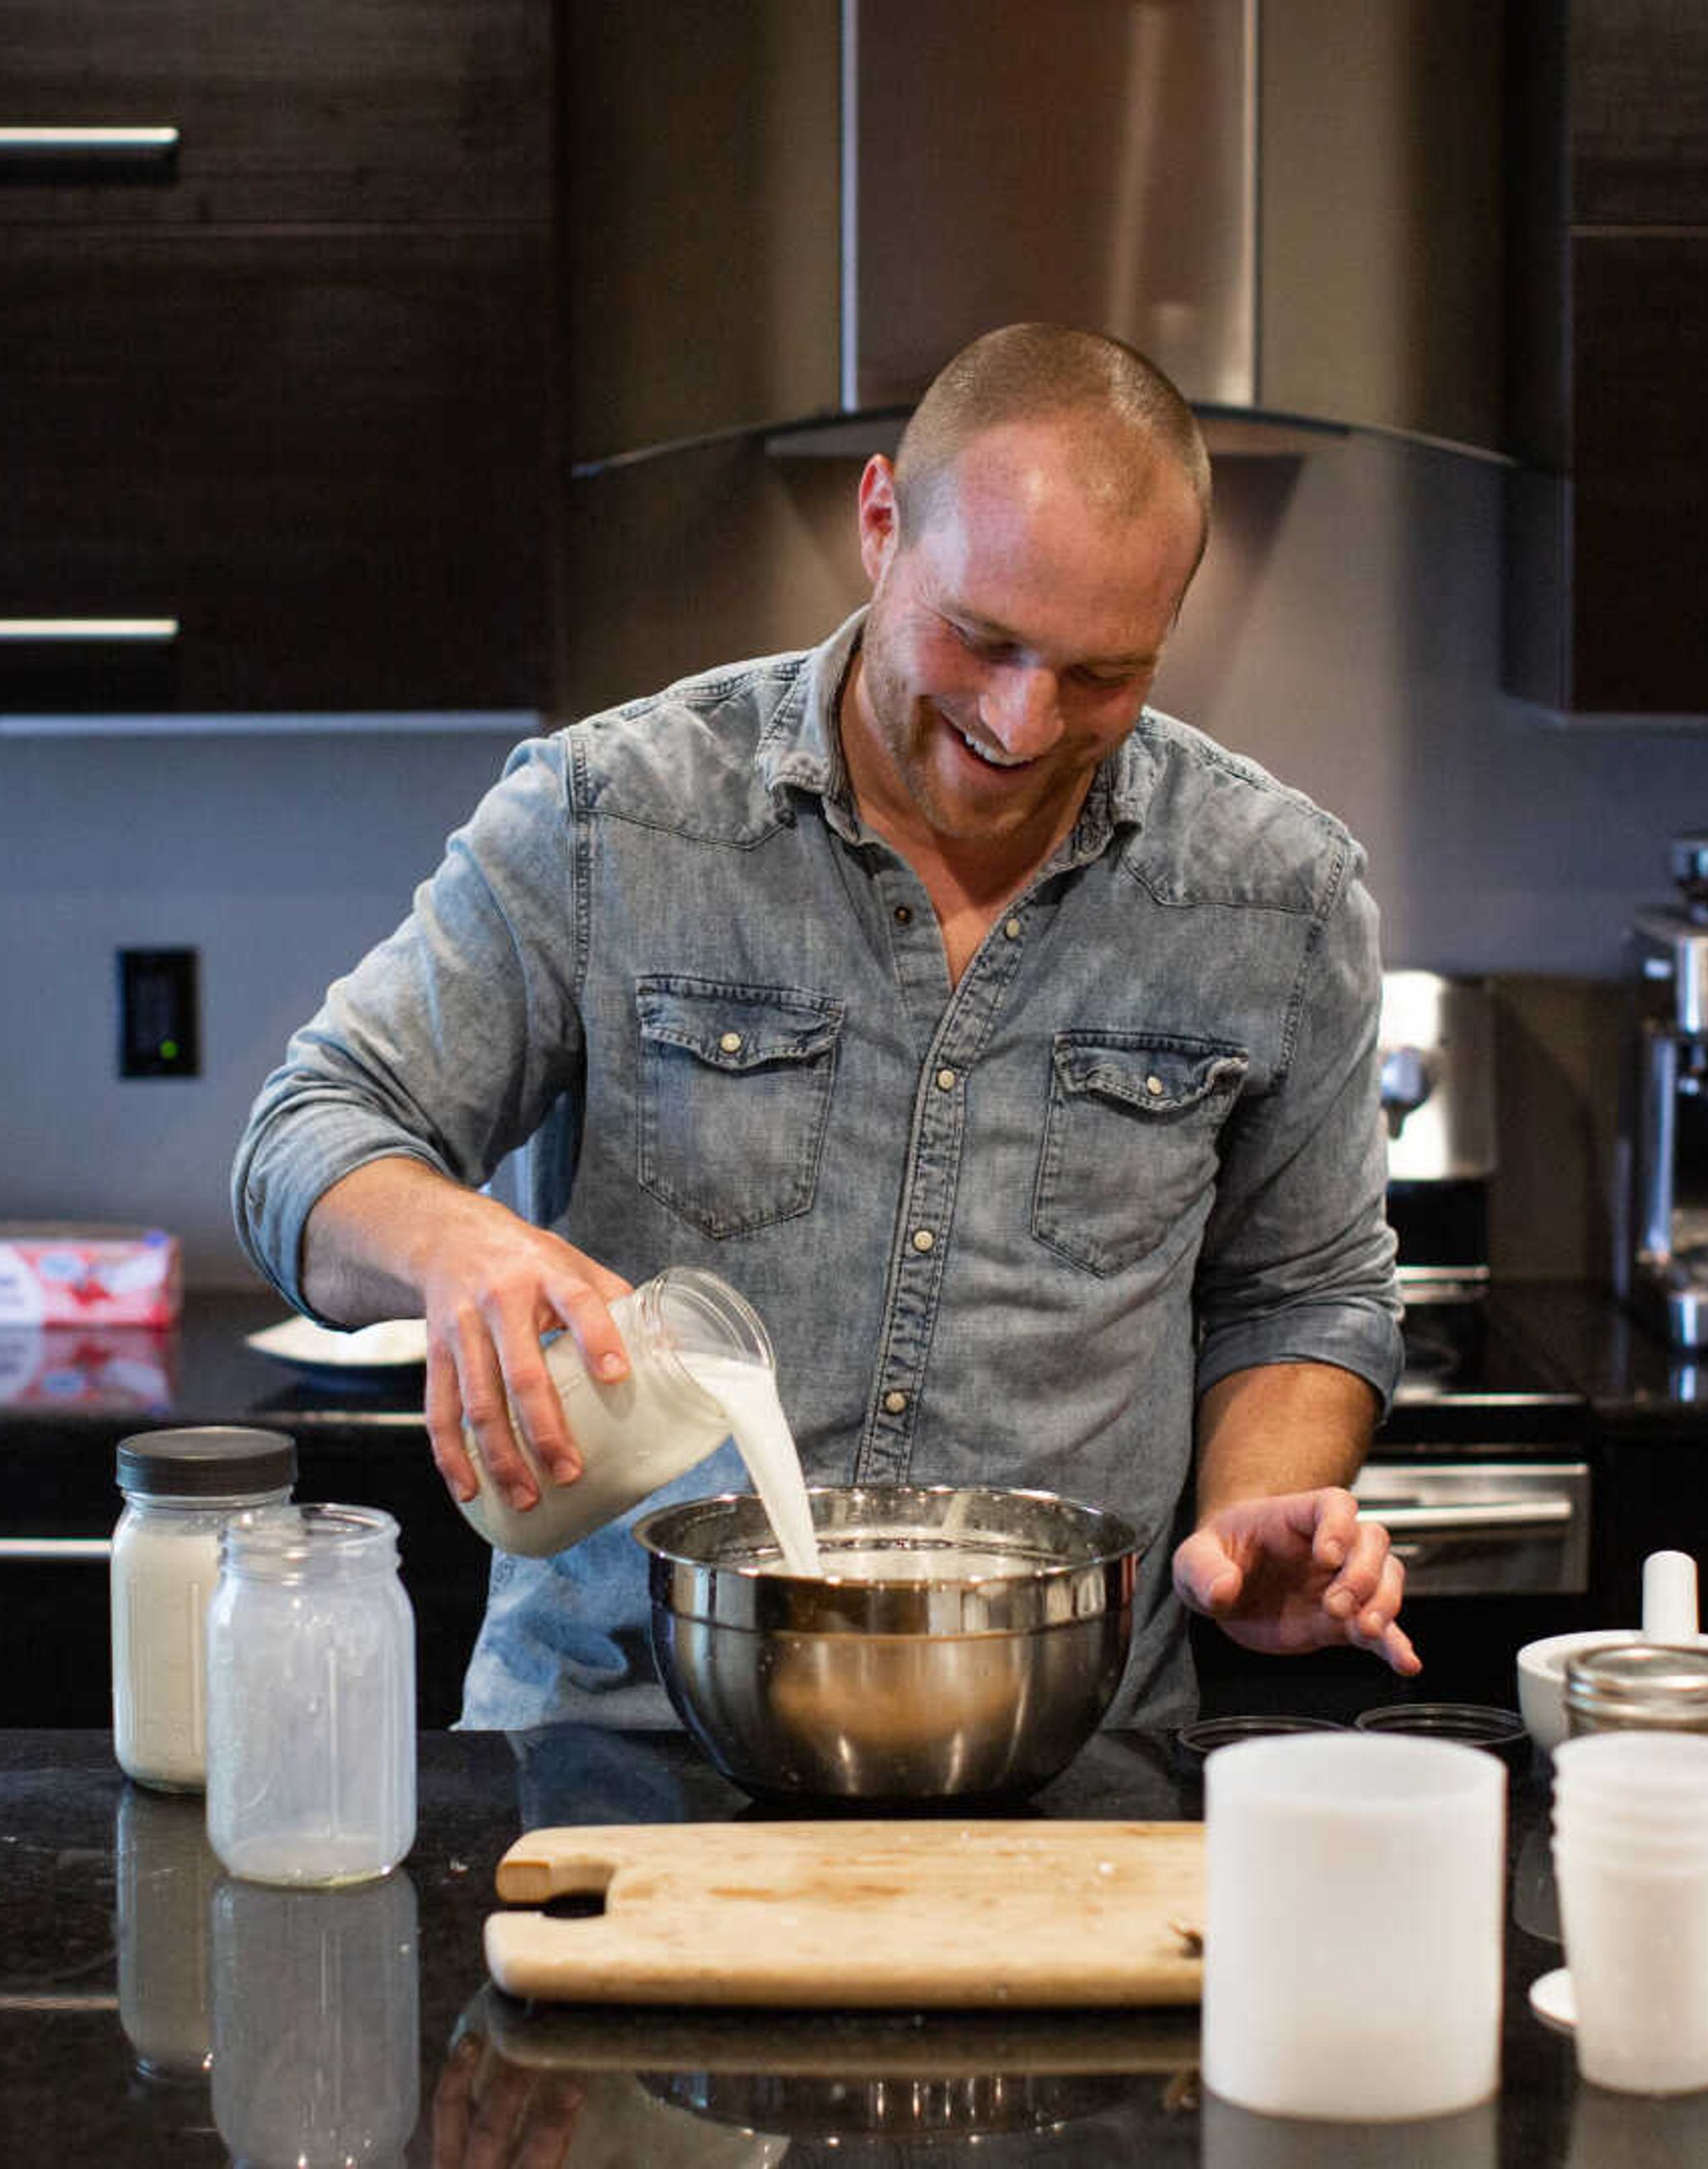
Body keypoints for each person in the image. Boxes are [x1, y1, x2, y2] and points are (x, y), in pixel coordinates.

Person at [233, 322, 1415, 1729]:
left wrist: (1260, 1504)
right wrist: (453, 1244)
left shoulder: (1277, 896)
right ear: (878, 524)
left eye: (1103, 673)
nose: (1025, 722)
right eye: (981, 639)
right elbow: (304, 1138)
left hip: (1054, 1760)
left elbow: (1304, 1291)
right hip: (626, 1748)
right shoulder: (615, 820)